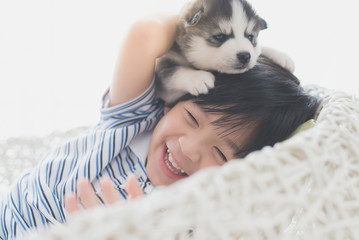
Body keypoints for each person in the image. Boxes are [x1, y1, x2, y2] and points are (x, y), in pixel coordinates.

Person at [0, 14, 320, 240]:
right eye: (193, 119)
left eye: (221, 154)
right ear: (173, 101)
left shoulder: (194, 219)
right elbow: (146, 34)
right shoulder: (135, 123)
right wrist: (235, 46)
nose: (189, 149)